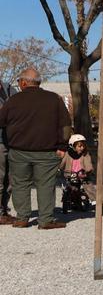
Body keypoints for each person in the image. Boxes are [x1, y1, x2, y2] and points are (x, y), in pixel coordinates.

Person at [0, 68, 72, 228]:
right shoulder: (54, 99)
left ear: (24, 82)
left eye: (19, 81)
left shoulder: (13, 101)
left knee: (20, 184)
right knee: (46, 185)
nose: (18, 84)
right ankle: (46, 220)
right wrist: (62, 146)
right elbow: (66, 125)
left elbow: (1, 121)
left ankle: (22, 218)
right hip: (47, 152)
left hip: (18, 151)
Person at [60, 134, 97, 201]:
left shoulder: (85, 154)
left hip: (82, 175)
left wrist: (88, 170)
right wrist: (59, 168)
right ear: (72, 146)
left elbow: (88, 163)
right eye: (79, 146)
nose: (82, 148)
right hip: (70, 175)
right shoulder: (67, 154)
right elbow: (63, 162)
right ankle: (68, 199)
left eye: (83, 146)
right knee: (68, 187)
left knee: (88, 186)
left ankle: (95, 200)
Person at [0, 76, 14, 220]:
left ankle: (4, 209)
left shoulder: (9, 89)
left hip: (13, 141)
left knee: (11, 179)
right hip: (0, 142)